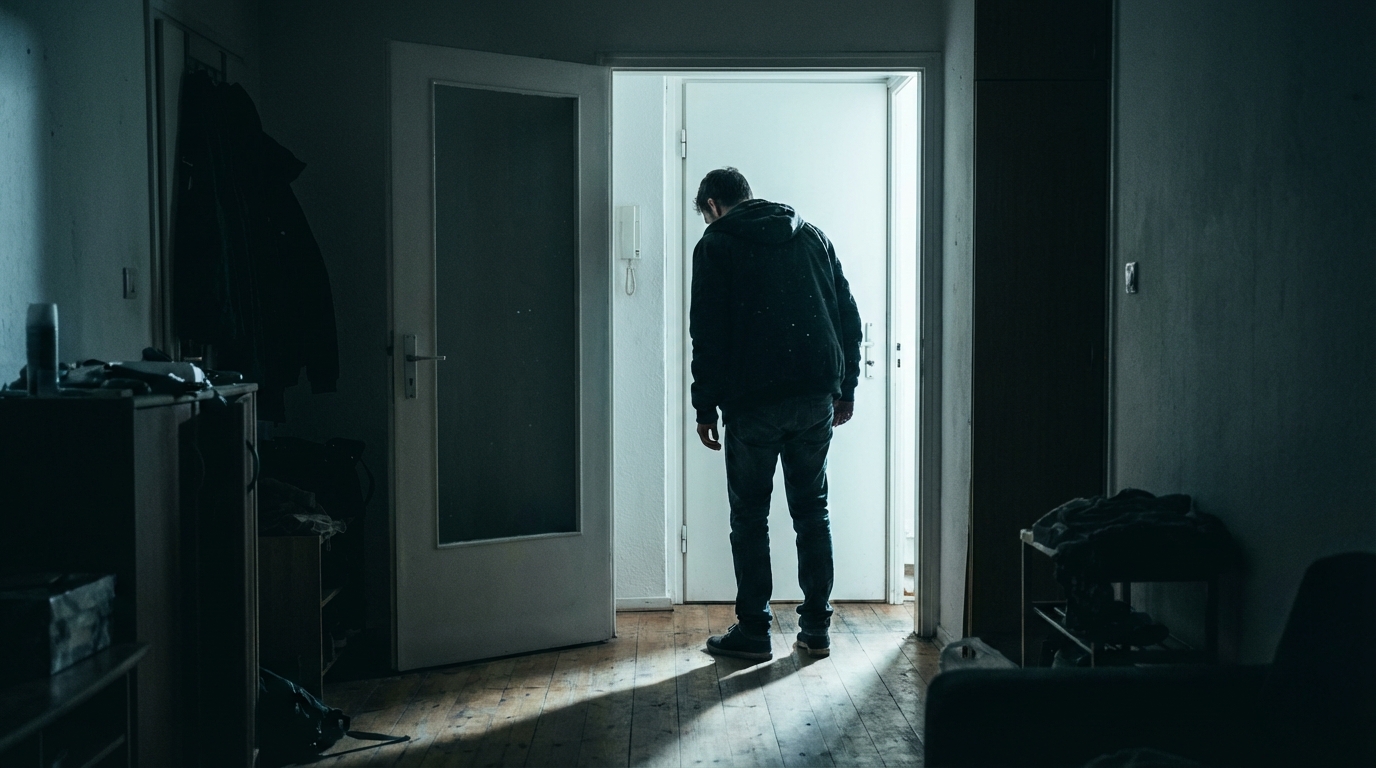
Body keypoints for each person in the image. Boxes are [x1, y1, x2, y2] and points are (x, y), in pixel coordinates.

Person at [689, 167, 862, 661]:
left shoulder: (716, 244)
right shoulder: (811, 235)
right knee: (813, 512)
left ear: (714, 206)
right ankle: (816, 629)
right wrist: (846, 389)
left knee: (750, 517)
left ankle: (755, 631)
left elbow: (708, 333)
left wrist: (705, 405)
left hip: (753, 402)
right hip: (814, 397)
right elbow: (846, 315)